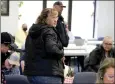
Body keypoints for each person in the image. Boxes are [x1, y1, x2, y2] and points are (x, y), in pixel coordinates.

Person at [24, 8, 65, 84]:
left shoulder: (32, 31)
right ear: (45, 18)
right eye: (53, 17)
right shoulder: (49, 31)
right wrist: (61, 54)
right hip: (48, 74)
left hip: (31, 74)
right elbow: (52, 49)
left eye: (56, 17)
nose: (56, 20)